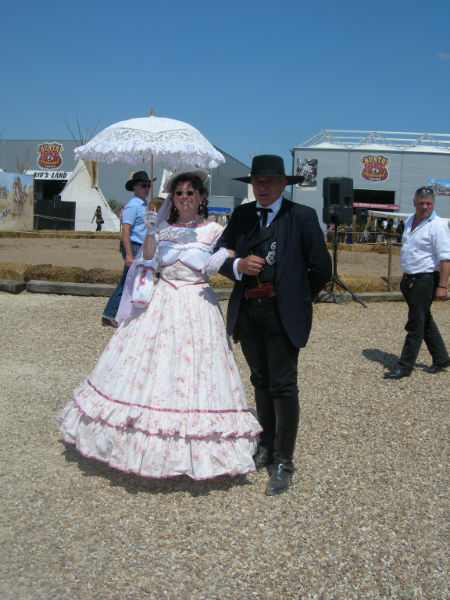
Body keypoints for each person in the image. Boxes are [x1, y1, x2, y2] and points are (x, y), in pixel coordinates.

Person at [58, 169, 261, 480]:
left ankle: (199, 445)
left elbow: (220, 261)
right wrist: (151, 233)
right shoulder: (162, 228)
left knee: (196, 369)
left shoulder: (214, 230)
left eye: (190, 192)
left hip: (197, 304)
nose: (184, 198)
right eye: (178, 193)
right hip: (162, 301)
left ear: (202, 196)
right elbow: (149, 263)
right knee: (152, 365)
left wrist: (218, 261)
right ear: (173, 199)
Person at [214, 155, 332, 496]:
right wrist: (238, 264)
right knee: (260, 380)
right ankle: (264, 445)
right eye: (257, 182)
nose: (262, 187)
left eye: (269, 182)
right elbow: (219, 254)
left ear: (283, 184)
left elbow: (322, 269)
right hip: (249, 312)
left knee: (283, 386)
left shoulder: (302, 217)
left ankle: (283, 460)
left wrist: (295, 298)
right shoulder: (242, 215)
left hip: (282, 315)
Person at [384, 186, 450, 379]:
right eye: (421, 203)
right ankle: (441, 358)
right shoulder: (411, 220)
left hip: (426, 279)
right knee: (424, 320)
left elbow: (445, 259)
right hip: (411, 280)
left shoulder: (437, 225)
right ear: (414, 203)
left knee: (415, 325)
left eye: (429, 203)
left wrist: (442, 285)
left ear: (433, 204)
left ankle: (404, 367)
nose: (425, 207)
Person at [101, 171, 155, 328]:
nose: (147, 188)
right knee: (126, 280)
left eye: (148, 185)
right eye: (143, 185)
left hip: (141, 245)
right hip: (134, 245)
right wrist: (129, 254)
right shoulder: (133, 205)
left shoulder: (144, 205)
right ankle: (109, 313)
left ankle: (127, 311)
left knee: (133, 280)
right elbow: (125, 230)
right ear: (135, 188)